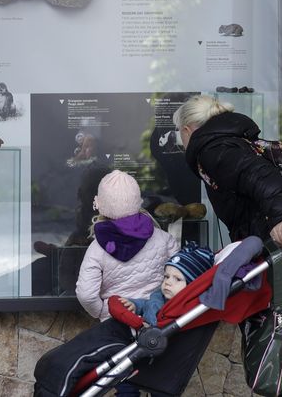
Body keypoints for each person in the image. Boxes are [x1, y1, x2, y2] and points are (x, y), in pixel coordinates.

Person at [173, 94, 282, 397]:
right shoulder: (236, 140)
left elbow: (260, 176)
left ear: (187, 130)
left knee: (281, 350)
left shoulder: (212, 148)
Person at [75, 169, 179, 397]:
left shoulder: (97, 249)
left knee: (125, 381)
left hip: (118, 328)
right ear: (137, 201)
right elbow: (180, 275)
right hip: (158, 323)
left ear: (100, 205)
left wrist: (102, 311)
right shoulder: (163, 238)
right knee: (160, 378)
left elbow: (85, 294)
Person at [118, 242, 215, 326]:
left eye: (177, 279)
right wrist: (134, 305)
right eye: (166, 276)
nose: (167, 282)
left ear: (192, 286)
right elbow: (147, 304)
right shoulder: (160, 296)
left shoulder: (187, 310)